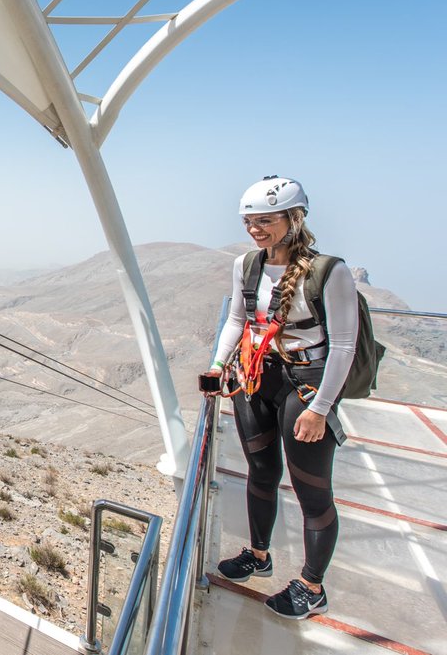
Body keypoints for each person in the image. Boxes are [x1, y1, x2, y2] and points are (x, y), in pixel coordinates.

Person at [203, 176, 357, 620]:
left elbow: (343, 345)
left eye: (265, 221)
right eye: (250, 221)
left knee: (312, 488)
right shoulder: (247, 264)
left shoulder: (330, 271)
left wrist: (320, 409)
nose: (255, 229)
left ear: (295, 219)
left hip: (306, 382)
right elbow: (237, 318)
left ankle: (312, 586)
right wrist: (217, 366)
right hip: (256, 377)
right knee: (261, 472)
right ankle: (259, 554)